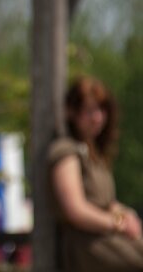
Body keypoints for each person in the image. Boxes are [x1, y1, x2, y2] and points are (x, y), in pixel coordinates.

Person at [48, 76, 143, 271]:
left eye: (101, 110)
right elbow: (75, 210)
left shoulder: (94, 153)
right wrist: (117, 223)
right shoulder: (67, 152)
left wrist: (126, 214)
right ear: (73, 113)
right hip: (87, 245)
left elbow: (106, 201)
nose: (97, 117)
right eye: (89, 111)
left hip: (105, 238)